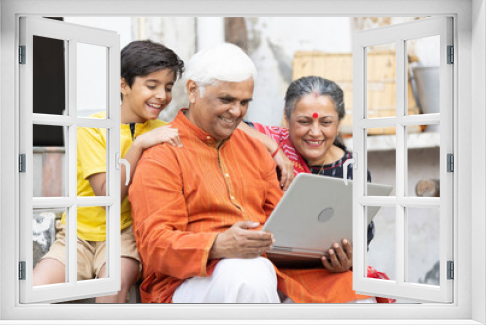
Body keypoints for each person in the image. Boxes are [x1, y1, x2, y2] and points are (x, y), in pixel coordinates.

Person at [129, 43, 388, 304]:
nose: (236, 112)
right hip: (186, 281)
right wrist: (219, 244)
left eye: (244, 102)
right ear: (193, 90)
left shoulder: (255, 148)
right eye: (226, 100)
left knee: (354, 292)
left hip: (269, 269)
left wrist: (326, 254)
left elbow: (280, 224)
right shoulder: (162, 154)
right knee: (248, 273)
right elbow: (155, 245)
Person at [32, 40, 184, 303]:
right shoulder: (92, 129)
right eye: (152, 85)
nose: (162, 95)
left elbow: (219, 122)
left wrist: (272, 146)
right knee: (32, 290)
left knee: (111, 289)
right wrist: (137, 146)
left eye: (168, 88)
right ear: (123, 85)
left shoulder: (166, 131)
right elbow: (107, 195)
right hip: (77, 235)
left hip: (125, 234)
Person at [239, 75, 377, 247]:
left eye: (326, 122)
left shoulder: (352, 169)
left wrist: (348, 259)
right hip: (271, 257)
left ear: (339, 123)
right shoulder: (271, 142)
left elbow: (363, 234)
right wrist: (275, 149)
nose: (315, 132)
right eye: (304, 121)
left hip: (326, 267)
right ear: (286, 119)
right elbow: (230, 123)